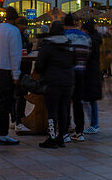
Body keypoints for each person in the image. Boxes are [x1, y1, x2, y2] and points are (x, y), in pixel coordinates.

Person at [0, 7, 24, 146]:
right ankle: (3, 134)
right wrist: (16, 74)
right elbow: (15, 54)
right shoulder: (13, 31)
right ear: (15, 19)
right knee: (4, 103)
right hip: (5, 70)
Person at [35, 21, 74, 149]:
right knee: (64, 109)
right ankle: (61, 137)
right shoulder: (69, 45)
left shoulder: (47, 45)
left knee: (52, 111)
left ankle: (52, 138)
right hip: (67, 82)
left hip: (52, 81)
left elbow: (39, 66)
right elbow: (74, 61)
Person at [62, 14, 91, 141]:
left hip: (67, 73)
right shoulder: (85, 37)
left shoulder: (63, 36)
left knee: (65, 102)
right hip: (81, 72)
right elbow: (88, 54)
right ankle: (79, 132)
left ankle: (65, 131)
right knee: (78, 102)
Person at [81, 19, 104, 134]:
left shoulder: (91, 42)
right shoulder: (95, 40)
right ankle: (94, 124)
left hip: (90, 73)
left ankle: (94, 124)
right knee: (90, 100)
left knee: (89, 100)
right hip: (93, 72)